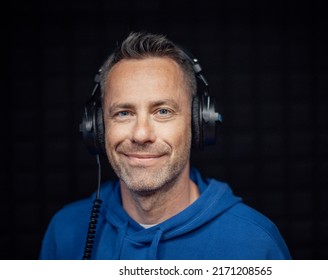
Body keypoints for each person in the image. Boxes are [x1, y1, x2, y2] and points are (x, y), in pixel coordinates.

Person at [39, 31, 291, 260]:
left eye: (162, 111)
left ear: (198, 124)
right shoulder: (65, 231)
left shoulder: (254, 242)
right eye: (124, 113)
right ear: (97, 127)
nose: (141, 134)